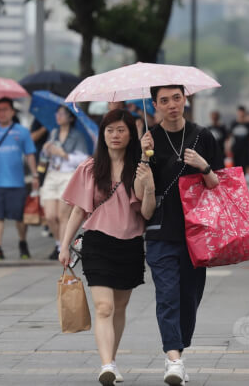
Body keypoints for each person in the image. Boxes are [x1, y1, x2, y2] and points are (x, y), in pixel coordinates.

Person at [59, 109, 155, 386]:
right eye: (110, 130)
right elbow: (78, 211)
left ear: (131, 134)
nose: (115, 135)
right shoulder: (90, 168)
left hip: (130, 244)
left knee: (120, 308)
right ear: (103, 134)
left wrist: (147, 182)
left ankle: (110, 359)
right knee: (104, 307)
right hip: (97, 243)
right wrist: (64, 245)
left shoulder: (141, 166)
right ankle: (107, 364)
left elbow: (147, 212)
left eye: (121, 130)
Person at [140, 85, 223, 385]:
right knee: (167, 296)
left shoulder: (204, 136)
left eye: (177, 98)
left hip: (196, 232)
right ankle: (173, 359)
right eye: (164, 100)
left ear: (185, 99)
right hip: (160, 231)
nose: (172, 105)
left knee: (189, 297)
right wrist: (143, 155)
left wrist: (204, 166)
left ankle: (178, 350)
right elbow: (140, 191)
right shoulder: (149, 140)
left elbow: (219, 185)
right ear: (154, 105)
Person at [0, 98, 39, 260]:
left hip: (17, 182)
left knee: (20, 217)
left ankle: (22, 243)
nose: (2, 113)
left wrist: (35, 174)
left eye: (5, 109)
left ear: (12, 112)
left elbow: (29, 154)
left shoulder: (22, 131)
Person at [41, 106, 89, 260]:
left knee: (63, 216)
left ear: (71, 118)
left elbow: (83, 159)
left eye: (62, 113)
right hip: (52, 174)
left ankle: (62, 248)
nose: (59, 116)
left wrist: (64, 155)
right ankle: (58, 243)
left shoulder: (77, 135)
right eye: (58, 113)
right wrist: (46, 150)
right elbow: (44, 156)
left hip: (68, 175)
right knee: (49, 215)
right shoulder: (53, 133)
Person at [227, 106, 249, 177]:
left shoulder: (248, 125)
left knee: (244, 166)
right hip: (236, 149)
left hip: (245, 149)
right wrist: (228, 148)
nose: (241, 114)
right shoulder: (233, 124)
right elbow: (229, 137)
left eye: (242, 112)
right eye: (240, 112)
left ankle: (243, 180)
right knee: (235, 166)